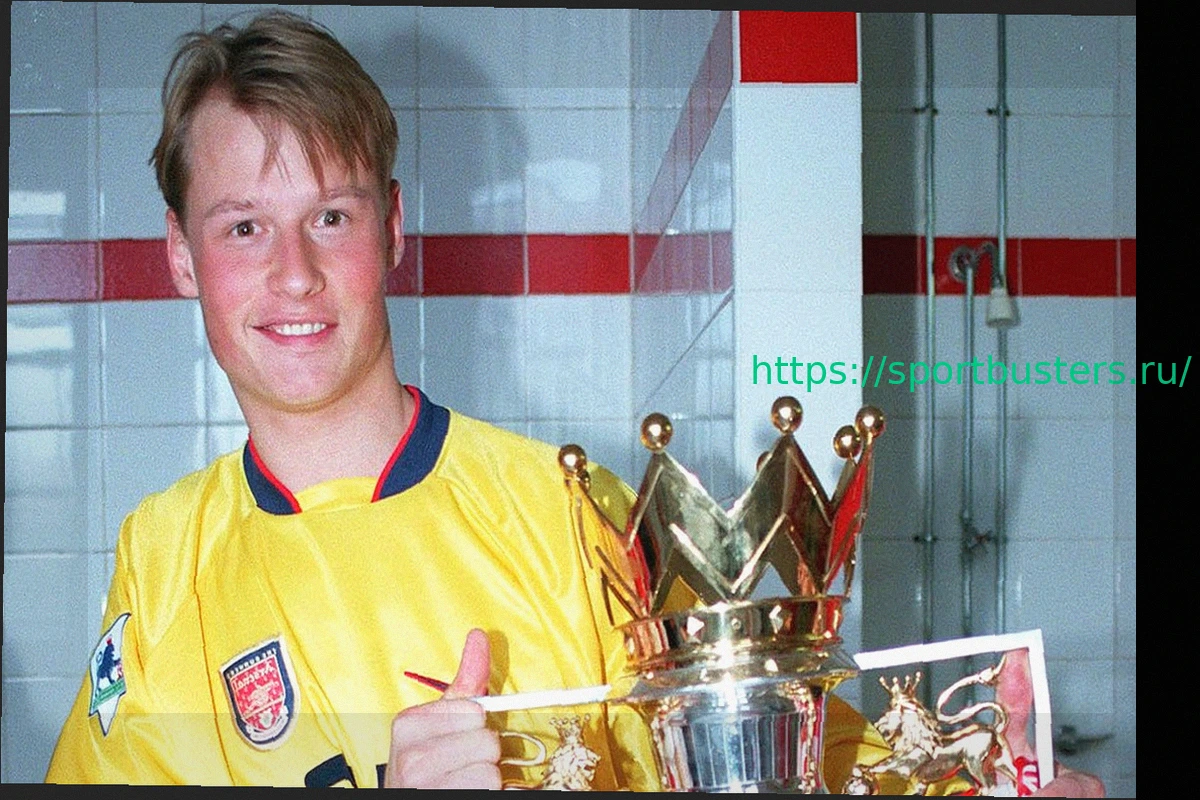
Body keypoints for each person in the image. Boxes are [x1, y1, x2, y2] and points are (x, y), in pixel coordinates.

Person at [44, 11, 1102, 795]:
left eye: (330, 216)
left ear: (393, 229)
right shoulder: (161, 556)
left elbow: (782, 750)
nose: (293, 273)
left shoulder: (566, 510)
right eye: (242, 227)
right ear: (180, 255)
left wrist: (977, 776)